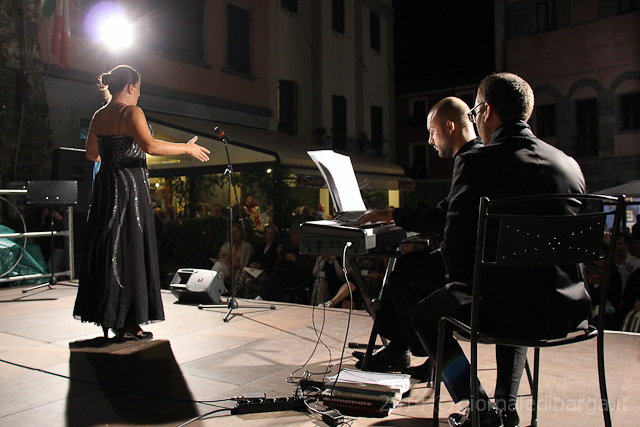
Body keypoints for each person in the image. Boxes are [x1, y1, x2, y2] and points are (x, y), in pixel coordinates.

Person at [411, 73, 589, 427]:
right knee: (518, 285)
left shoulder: (477, 161)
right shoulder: (569, 165)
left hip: (503, 307)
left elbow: (455, 247)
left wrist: (462, 283)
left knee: (426, 315)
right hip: (564, 309)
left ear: (486, 111)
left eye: (475, 112)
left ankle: (477, 404)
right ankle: (506, 406)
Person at [73, 65, 210, 342]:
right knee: (131, 251)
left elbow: (91, 153)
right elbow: (150, 146)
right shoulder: (131, 112)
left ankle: (109, 316)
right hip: (129, 192)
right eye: (139, 89)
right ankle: (129, 321)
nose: (139, 94)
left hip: (106, 191)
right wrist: (186, 148)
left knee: (109, 250)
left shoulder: (99, 115)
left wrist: (114, 159)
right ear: (131, 86)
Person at [352, 97, 481, 372]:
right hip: (475, 266)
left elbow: (441, 217)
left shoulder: (470, 160)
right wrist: (396, 215)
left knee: (402, 279)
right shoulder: (473, 157)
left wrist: (393, 214)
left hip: (468, 273)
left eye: (432, 132)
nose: (430, 141)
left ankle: (422, 353)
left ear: (450, 127)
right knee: (405, 269)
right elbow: (445, 210)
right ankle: (404, 349)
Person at [235, 224, 279, 298]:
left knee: (244, 272)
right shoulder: (260, 247)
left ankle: (236, 292)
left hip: (267, 274)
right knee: (248, 280)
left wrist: (260, 265)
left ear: (275, 235)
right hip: (255, 272)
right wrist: (253, 264)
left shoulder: (276, 248)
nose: (269, 235)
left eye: (271, 233)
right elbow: (253, 258)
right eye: (267, 233)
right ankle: (247, 299)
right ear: (264, 234)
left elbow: (272, 263)